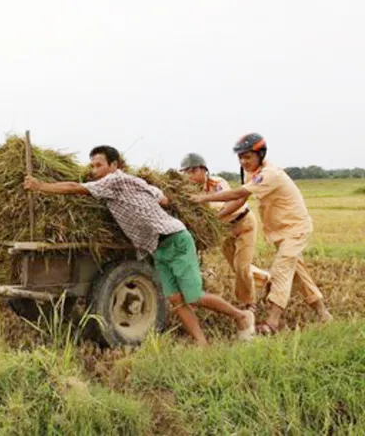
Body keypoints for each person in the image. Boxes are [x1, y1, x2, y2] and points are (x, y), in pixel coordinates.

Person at [24, 145, 255, 346]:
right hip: (158, 247)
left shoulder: (114, 180)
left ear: (114, 165)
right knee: (175, 300)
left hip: (175, 240)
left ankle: (241, 316)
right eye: (92, 166)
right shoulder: (135, 181)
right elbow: (162, 197)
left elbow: (75, 186)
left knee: (193, 297)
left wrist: (40, 186)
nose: (94, 171)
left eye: (98, 165)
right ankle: (202, 343)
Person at [191, 133, 332, 334]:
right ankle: (323, 313)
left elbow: (237, 193)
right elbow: (241, 200)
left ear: (260, 153)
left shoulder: (269, 174)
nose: (243, 161)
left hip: (295, 228)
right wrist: (218, 216)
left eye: (247, 157)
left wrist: (202, 199)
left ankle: (272, 322)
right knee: (298, 274)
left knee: (281, 270)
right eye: (240, 157)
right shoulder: (253, 173)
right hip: (280, 231)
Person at [180, 152, 271, 309]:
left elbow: (230, 202)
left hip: (243, 224)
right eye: (186, 172)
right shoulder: (189, 193)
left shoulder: (217, 183)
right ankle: (267, 278)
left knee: (242, 267)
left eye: (193, 171)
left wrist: (214, 217)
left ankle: (248, 304)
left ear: (203, 170)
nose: (190, 176)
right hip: (223, 231)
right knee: (238, 269)